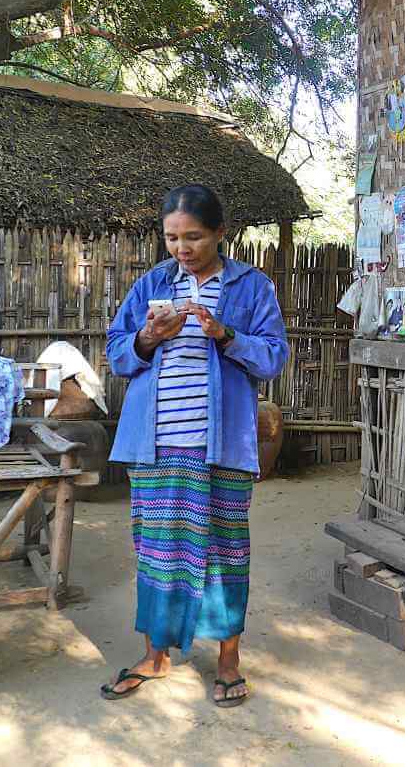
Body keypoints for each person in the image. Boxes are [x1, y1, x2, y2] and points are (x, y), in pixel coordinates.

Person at [101, 184, 288, 708]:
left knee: (224, 551)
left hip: (221, 444)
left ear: (220, 233)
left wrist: (224, 334)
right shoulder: (152, 285)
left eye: (194, 237)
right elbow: (118, 352)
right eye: (172, 238)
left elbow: (273, 358)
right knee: (157, 552)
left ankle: (227, 661)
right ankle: (155, 655)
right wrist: (147, 339)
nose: (181, 248)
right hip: (156, 443)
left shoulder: (251, 288)